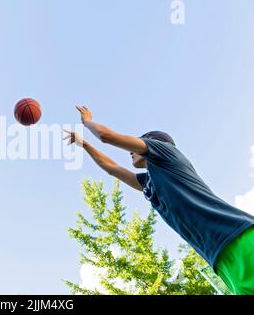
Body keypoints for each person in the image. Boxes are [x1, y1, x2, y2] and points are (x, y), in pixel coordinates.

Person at [64, 106, 254, 295]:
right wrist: (85, 145)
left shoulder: (166, 152)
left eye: (137, 143)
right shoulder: (151, 182)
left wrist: (87, 122)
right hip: (220, 259)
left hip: (238, 237)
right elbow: (112, 168)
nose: (130, 151)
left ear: (151, 143)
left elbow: (106, 136)